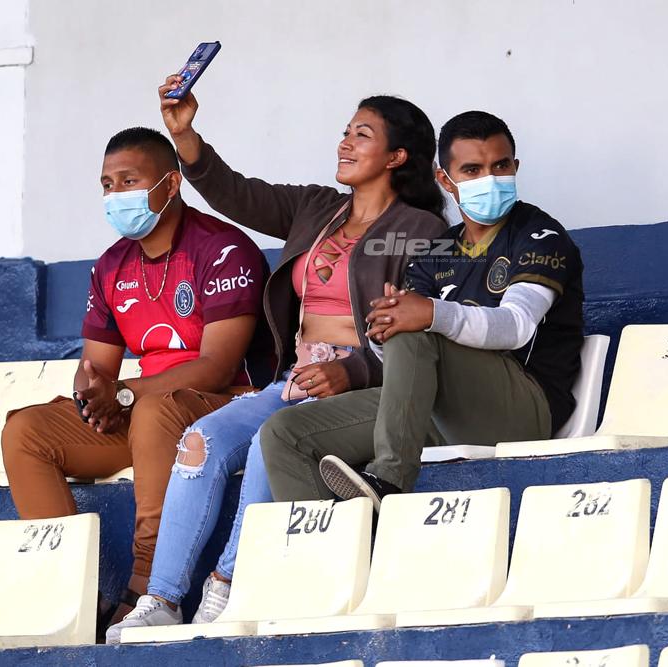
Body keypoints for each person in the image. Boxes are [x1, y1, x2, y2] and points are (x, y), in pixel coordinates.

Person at [105, 78, 447, 643]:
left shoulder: (421, 230)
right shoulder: (316, 208)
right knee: (200, 441)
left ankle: (226, 587)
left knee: (272, 442)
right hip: (294, 379)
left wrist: (352, 370)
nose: (345, 143)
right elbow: (236, 194)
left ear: (396, 156)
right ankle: (161, 599)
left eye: (362, 135)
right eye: (345, 132)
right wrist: (185, 136)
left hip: (364, 386)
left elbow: (419, 340)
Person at [0, 127, 275, 629]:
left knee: (153, 410)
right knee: (26, 432)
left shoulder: (223, 249)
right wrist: (93, 396)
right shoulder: (111, 266)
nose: (116, 195)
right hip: (148, 410)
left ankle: (148, 589)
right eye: (107, 185)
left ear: (170, 184)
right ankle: (73, 599)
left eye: (129, 181)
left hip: (227, 403)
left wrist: (124, 394)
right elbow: (96, 367)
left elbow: (217, 367)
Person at [259, 110, 585, 509]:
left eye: (500, 166)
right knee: (285, 433)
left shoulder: (539, 235)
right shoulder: (438, 251)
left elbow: (516, 326)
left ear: (515, 167)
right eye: (472, 170)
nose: (490, 179)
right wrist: (382, 328)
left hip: (521, 411)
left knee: (413, 325)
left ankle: (388, 479)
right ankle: (324, 549)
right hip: (437, 407)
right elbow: (400, 353)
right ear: (445, 180)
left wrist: (427, 313)